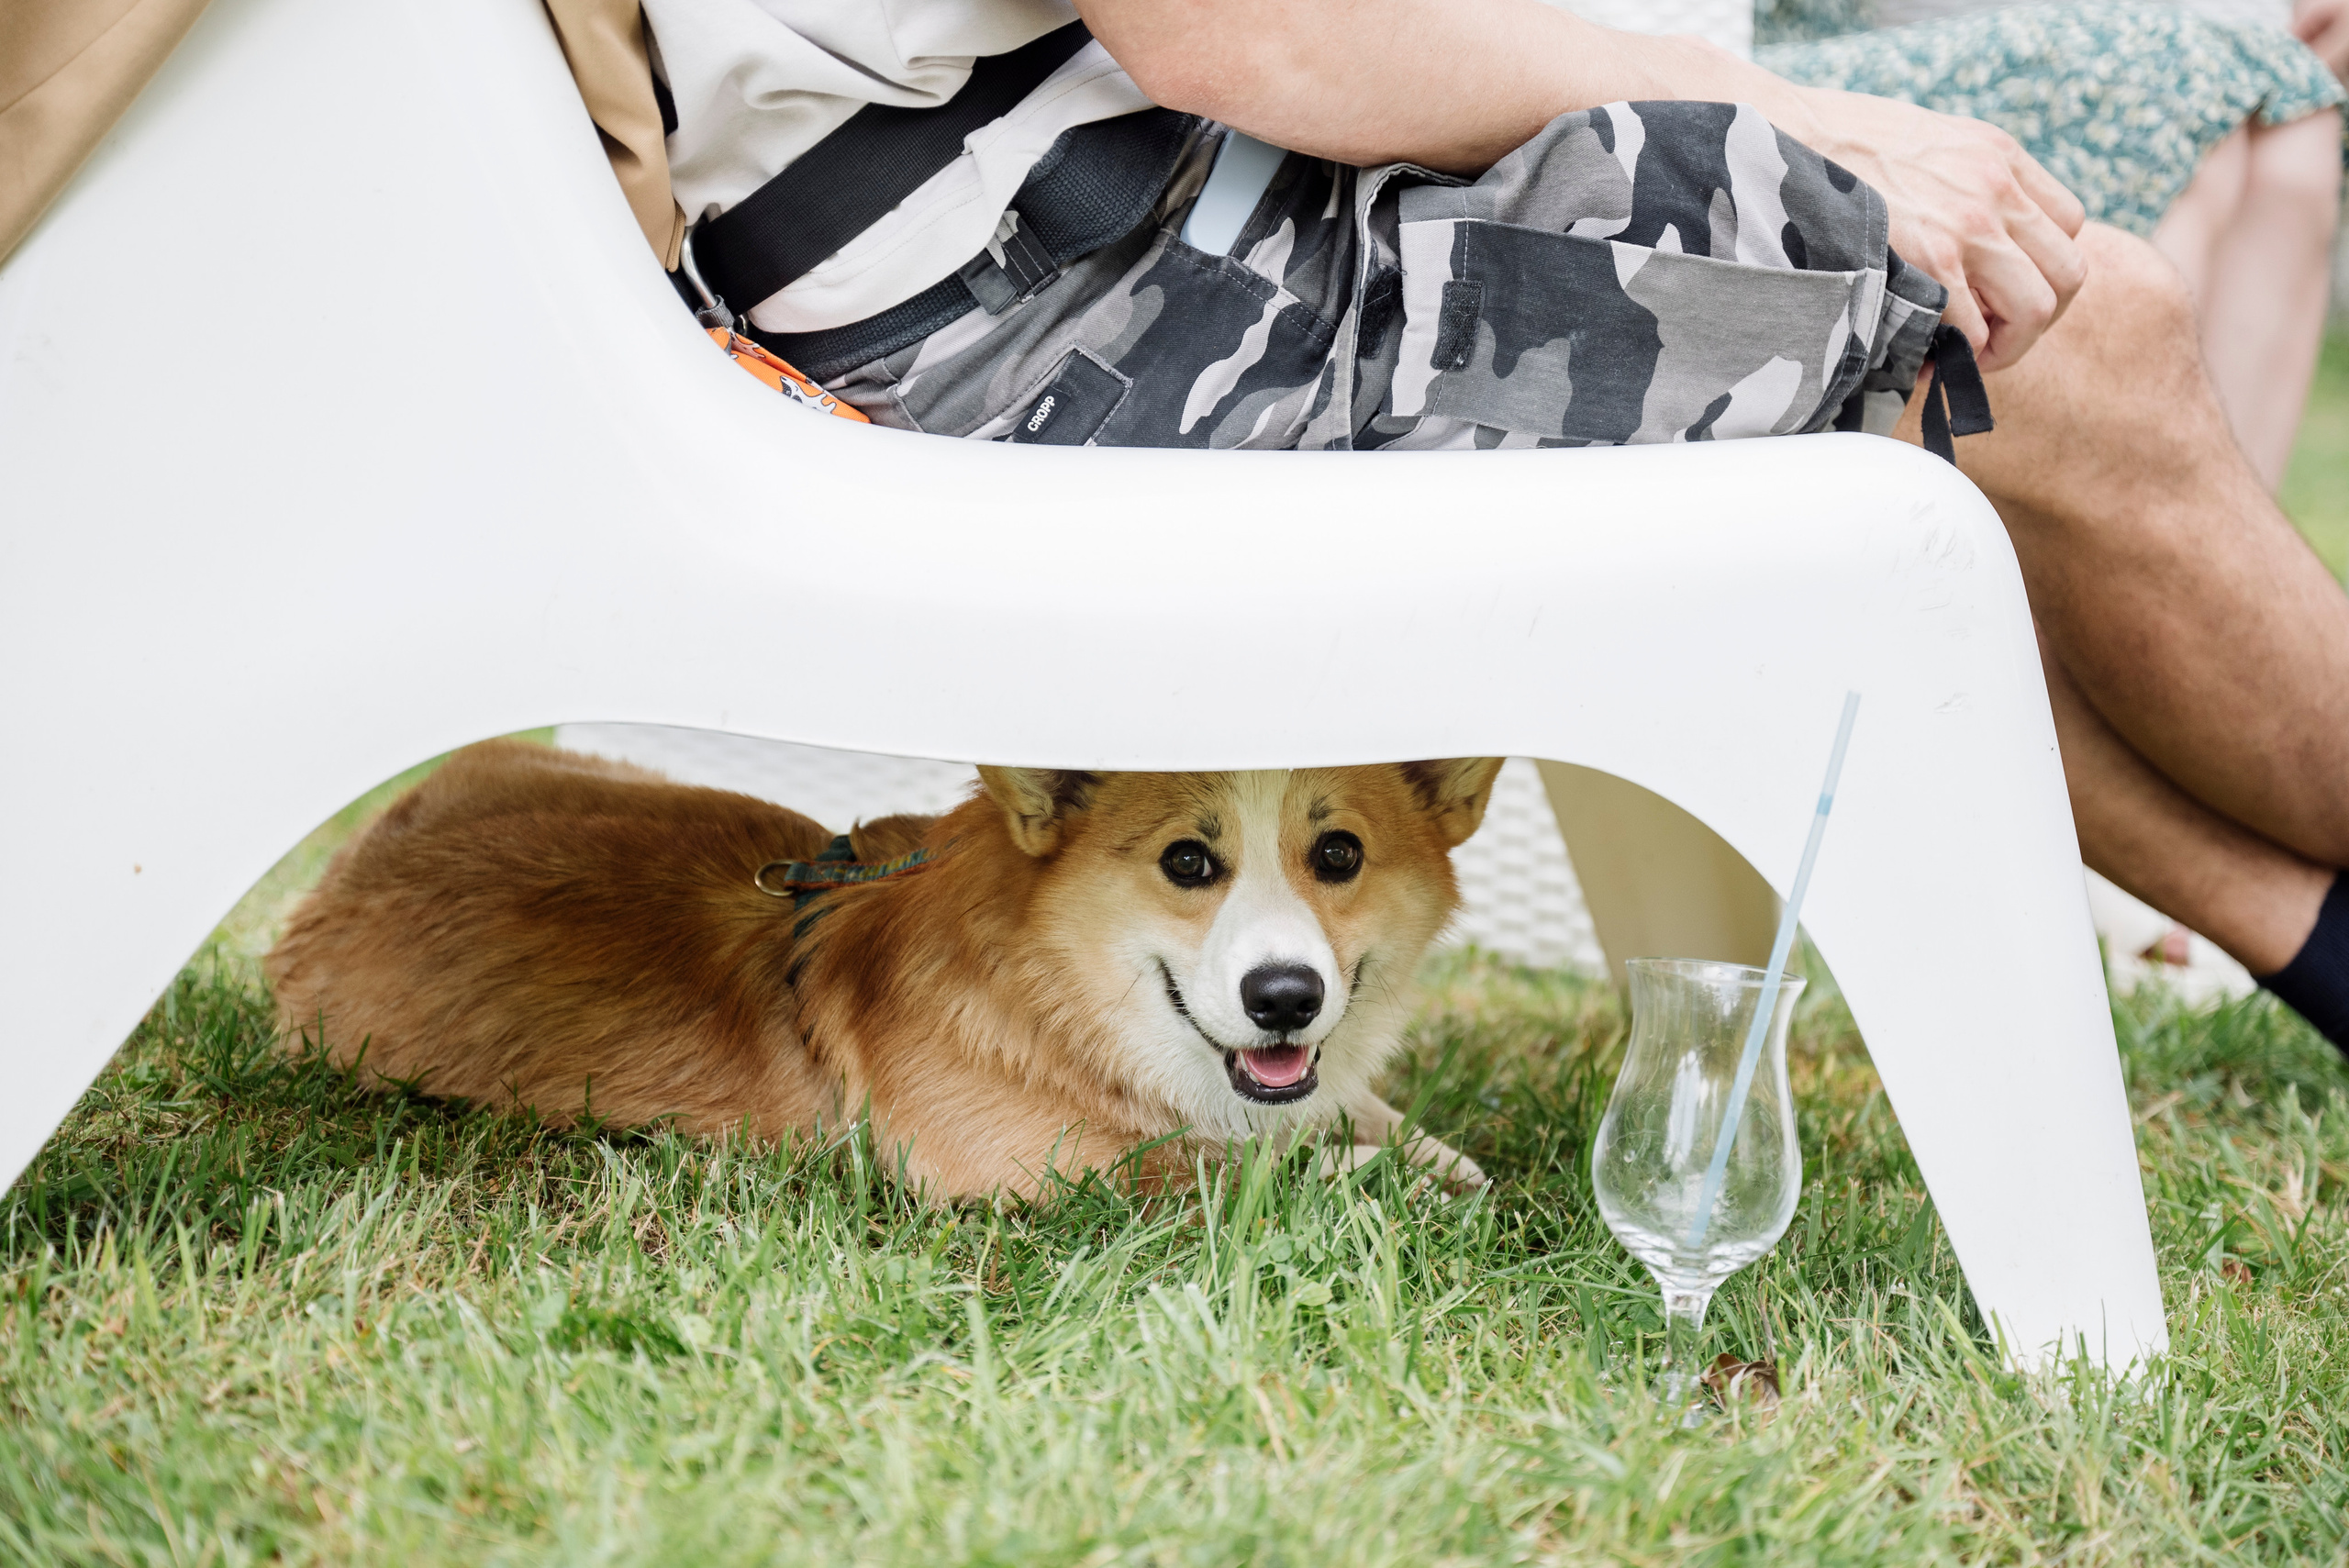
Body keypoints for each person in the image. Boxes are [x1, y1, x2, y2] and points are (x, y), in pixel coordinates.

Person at [629, 0, 2349, 1051]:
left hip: (1108, 209)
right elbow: (1257, 32)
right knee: (2071, 333)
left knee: (1951, 393)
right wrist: (1781, 113)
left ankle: (2314, 936)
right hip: (1075, 287)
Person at [1757, 0, 2345, 487]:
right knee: (2184, 88)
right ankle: (2131, 544)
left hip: (1862, 27)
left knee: (2297, 129)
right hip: (1727, 54)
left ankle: (2211, 578)